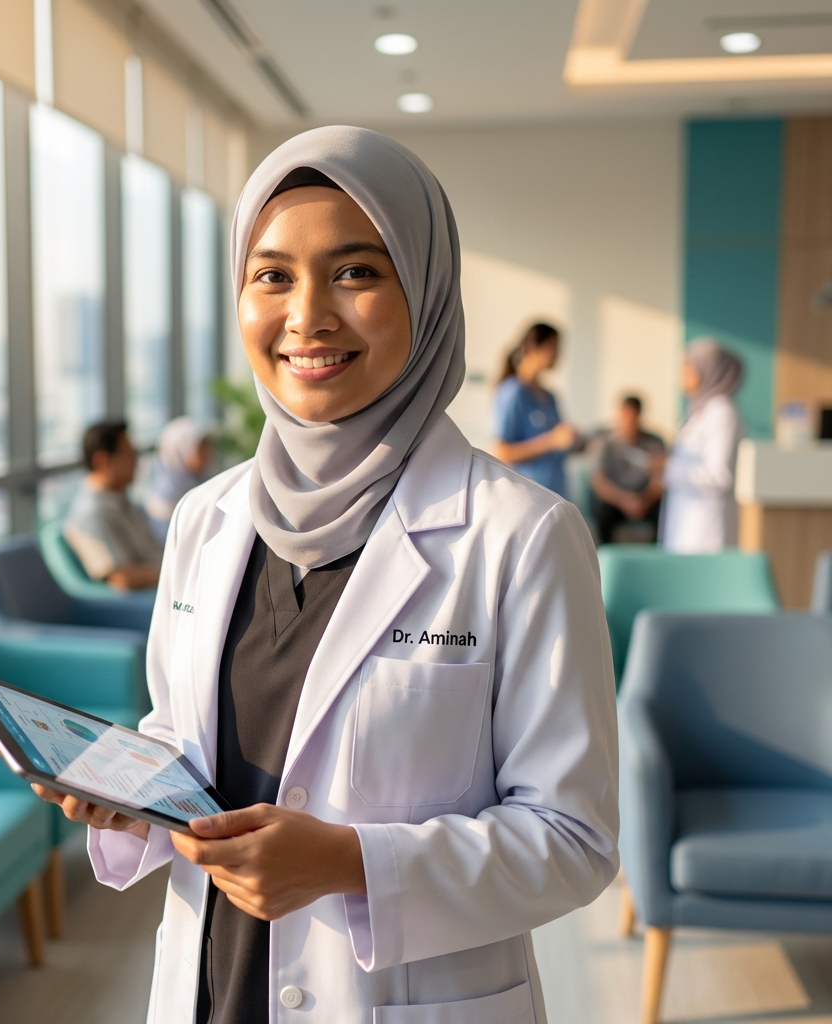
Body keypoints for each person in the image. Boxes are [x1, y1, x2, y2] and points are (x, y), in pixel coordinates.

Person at [34, 127, 618, 1024]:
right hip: (213, 984)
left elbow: (574, 839)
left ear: (424, 290)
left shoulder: (522, 535)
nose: (306, 316)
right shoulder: (204, 519)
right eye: (271, 276)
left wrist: (350, 863)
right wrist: (134, 796)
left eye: (355, 272)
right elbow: (184, 736)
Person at [660, 338, 744, 553]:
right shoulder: (699, 411)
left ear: (708, 370)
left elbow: (719, 476)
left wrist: (668, 468)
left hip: (706, 530)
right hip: (685, 523)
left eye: (689, 366)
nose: (683, 373)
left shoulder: (722, 412)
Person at [65, 420, 162, 591]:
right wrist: (176, 574)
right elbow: (121, 578)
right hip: (152, 597)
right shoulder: (92, 513)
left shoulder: (118, 499)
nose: (136, 461)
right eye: (128, 454)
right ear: (102, 461)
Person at [490, 322, 578, 497]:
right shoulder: (513, 393)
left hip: (556, 494)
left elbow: (558, 444)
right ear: (532, 347)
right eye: (553, 346)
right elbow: (501, 452)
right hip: (528, 497)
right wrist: (552, 440)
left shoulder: (550, 397)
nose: (558, 354)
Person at [589, 394, 666, 544]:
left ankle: (656, 552)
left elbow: (660, 479)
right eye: (625, 417)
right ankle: (604, 552)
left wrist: (645, 500)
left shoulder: (654, 442)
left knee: (664, 509)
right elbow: (598, 481)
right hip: (617, 500)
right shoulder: (605, 443)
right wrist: (624, 501)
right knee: (601, 511)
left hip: (644, 499)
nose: (628, 423)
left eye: (633, 418)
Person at [143, 417, 213, 545]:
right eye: (201, 448)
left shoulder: (204, 483)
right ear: (180, 451)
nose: (208, 454)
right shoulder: (164, 498)